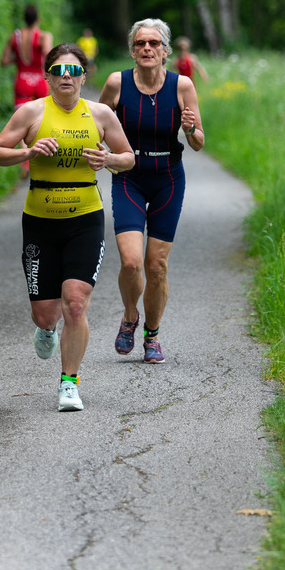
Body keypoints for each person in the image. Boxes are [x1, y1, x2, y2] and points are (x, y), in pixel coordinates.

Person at [0, 42, 134, 411]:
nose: (66, 77)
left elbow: (128, 158)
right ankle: (45, 328)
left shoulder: (100, 114)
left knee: (76, 303)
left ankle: (69, 383)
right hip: (40, 223)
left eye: (73, 71)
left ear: (84, 77)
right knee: (46, 312)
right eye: (58, 71)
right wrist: (28, 152)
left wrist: (108, 159)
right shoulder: (31, 113)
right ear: (48, 77)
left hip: (85, 219)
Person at [99, 18, 205, 364]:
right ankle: (130, 316)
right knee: (131, 263)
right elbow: (96, 126)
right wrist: (103, 154)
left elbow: (199, 142)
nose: (147, 48)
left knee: (156, 265)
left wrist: (190, 129)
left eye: (154, 43)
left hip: (167, 179)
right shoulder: (116, 83)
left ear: (165, 51)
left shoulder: (182, 85)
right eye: (140, 43)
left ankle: (152, 334)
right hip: (128, 176)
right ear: (132, 51)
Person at [0, 4, 53, 178]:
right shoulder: (44, 36)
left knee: (22, 124)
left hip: (22, 80)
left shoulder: (14, 37)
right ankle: (43, 158)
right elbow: (49, 57)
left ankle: (25, 163)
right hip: (39, 81)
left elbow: (4, 61)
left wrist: (18, 59)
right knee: (42, 119)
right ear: (38, 18)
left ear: (24, 18)